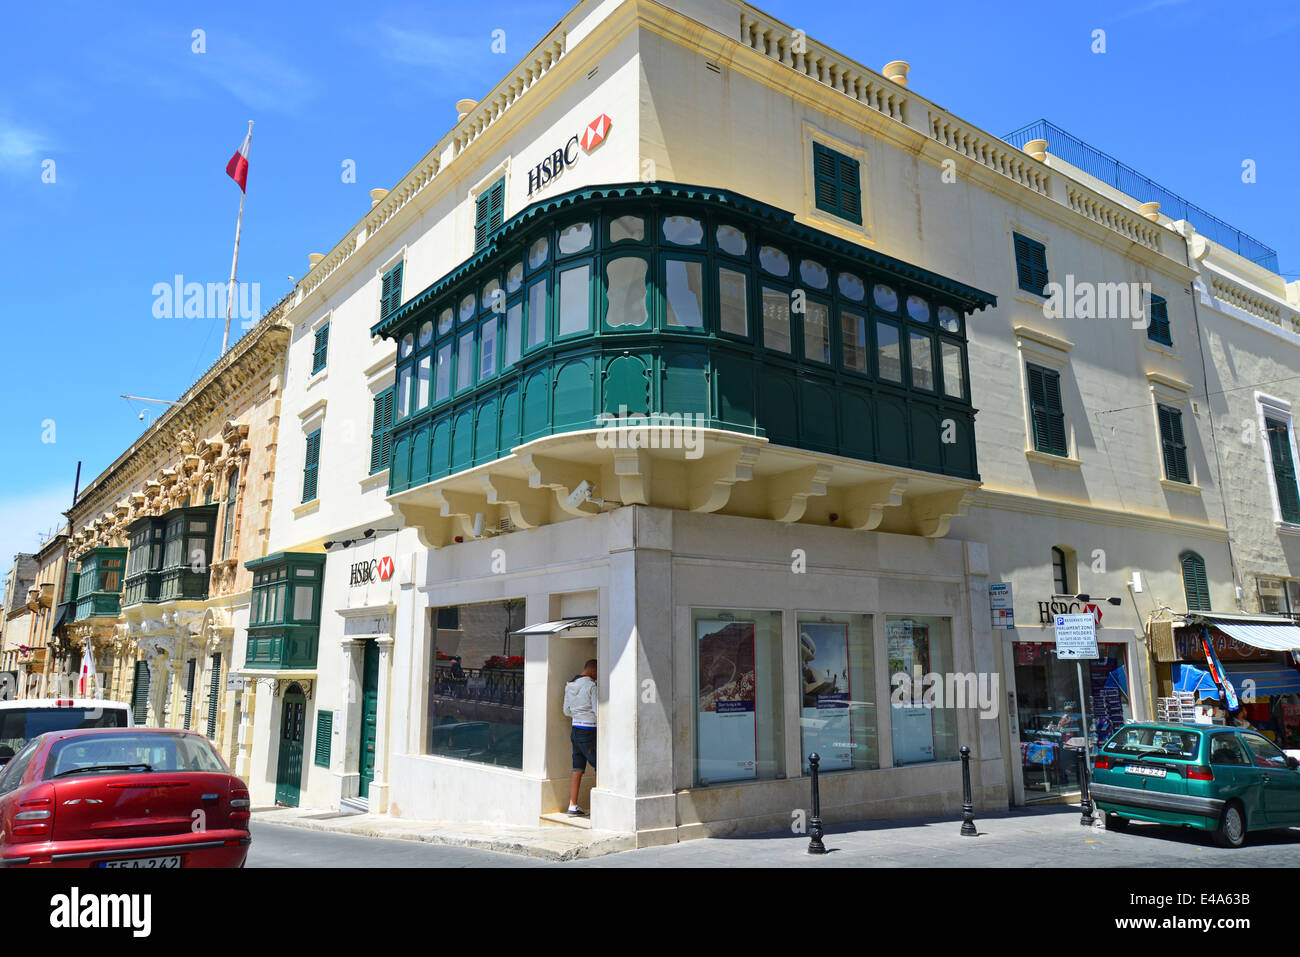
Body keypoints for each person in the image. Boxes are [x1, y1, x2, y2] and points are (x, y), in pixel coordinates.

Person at [563, 659, 598, 816]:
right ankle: (600, 806)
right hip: (589, 730)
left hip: (575, 728)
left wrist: (578, 715)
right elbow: (598, 710)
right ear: (593, 670)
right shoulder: (592, 686)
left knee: (577, 768)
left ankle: (573, 805)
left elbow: (566, 711)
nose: (598, 676)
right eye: (597, 672)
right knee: (600, 767)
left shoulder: (569, 685)